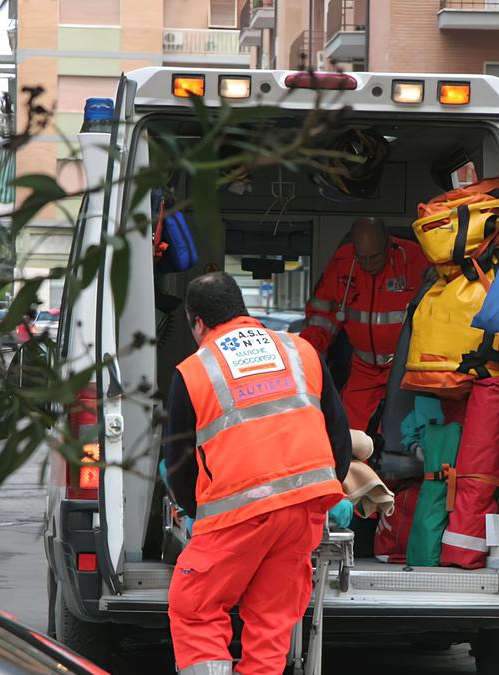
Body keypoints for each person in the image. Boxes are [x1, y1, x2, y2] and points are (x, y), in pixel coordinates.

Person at [163, 272, 352, 675]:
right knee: (270, 624)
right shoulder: (300, 350)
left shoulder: (194, 371)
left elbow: (178, 461)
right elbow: (338, 433)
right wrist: (320, 498)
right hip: (302, 510)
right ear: (241, 308)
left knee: (194, 607)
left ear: (198, 322)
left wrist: (197, 512)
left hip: (236, 512)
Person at [300, 217, 429, 428]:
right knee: (350, 430)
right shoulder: (343, 262)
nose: (369, 264)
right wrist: (306, 361)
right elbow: (321, 319)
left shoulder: (415, 258)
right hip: (363, 370)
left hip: (403, 368)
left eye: (375, 256)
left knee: (400, 430)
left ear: (388, 244)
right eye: (362, 258)